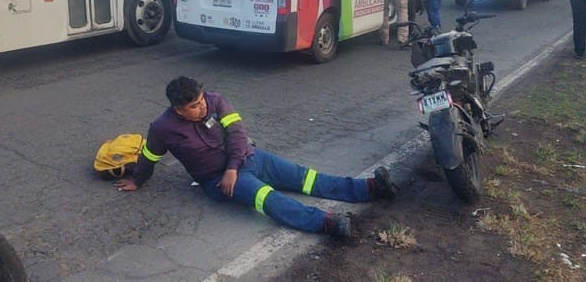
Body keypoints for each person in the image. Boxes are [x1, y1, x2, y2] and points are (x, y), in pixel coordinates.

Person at [114, 76, 398, 237]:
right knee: (268, 198)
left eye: (201, 101)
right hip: (216, 180)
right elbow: (150, 155)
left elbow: (238, 133)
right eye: (194, 106)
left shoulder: (216, 100)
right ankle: (328, 223)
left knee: (304, 177)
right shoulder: (162, 128)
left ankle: (370, 188)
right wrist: (137, 180)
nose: (202, 107)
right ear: (178, 109)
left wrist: (234, 167)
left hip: (246, 159)